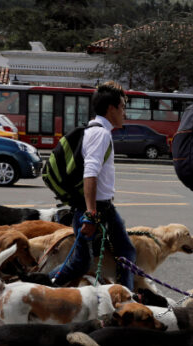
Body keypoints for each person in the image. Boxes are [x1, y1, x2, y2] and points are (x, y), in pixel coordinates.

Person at [49, 81, 136, 291]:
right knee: (80, 263)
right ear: (111, 108)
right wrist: (90, 214)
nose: (124, 113)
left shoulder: (98, 131)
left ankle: (125, 297)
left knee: (126, 252)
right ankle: (39, 285)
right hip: (93, 208)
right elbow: (90, 173)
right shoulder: (100, 134)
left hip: (104, 207)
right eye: (122, 107)